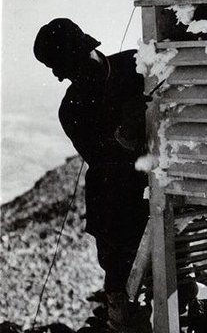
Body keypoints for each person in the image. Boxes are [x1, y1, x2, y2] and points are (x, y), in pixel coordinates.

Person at [34, 18, 150, 330]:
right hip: (116, 205)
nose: (60, 76)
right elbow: (102, 160)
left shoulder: (136, 65)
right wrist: (125, 133)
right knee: (123, 286)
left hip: (155, 192)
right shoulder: (71, 108)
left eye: (62, 65)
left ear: (85, 50)